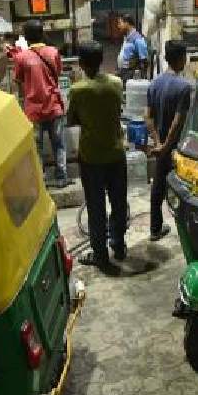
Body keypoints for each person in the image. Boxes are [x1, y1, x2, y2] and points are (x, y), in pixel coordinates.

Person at [68, 40, 128, 267]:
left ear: (81, 63)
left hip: (91, 157)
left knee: (96, 207)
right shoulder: (116, 83)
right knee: (119, 202)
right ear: (102, 60)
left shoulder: (78, 89)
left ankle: (100, 254)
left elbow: (71, 120)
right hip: (115, 153)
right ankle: (119, 246)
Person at [8, 19, 71, 187]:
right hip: (54, 106)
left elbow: (19, 80)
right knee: (59, 144)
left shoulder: (21, 57)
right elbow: (57, 73)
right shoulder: (53, 52)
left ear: (26, 37)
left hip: (33, 110)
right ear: (42, 33)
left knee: (36, 147)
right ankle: (61, 177)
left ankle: (40, 180)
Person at [146, 40, 192, 241]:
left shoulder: (154, 83)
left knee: (158, 187)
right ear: (182, 59)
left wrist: (158, 143)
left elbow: (147, 116)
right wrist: (166, 146)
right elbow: (177, 121)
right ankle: (188, 229)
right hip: (177, 147)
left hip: (162, 146)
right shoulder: (184, 87)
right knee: (185, 188)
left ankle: (155, 228)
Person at [116, 14, 148, 81]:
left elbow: (143, 60)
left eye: (120, 23)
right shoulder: (127, 37)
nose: (118, 26)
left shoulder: (138, 39)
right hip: (123, 71)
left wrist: (140, 78)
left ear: (127, 23)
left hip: (130, 74)